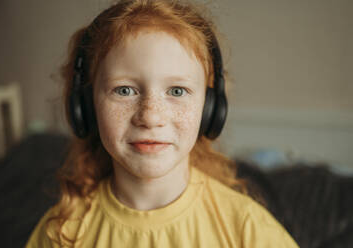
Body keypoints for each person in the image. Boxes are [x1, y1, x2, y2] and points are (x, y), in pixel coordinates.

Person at [26, 0, 299, 247]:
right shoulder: (63, 232)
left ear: (210, 108)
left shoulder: (247, 228)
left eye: (177, 91)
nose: (150, 117)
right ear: (85, 106)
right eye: (124, 90)